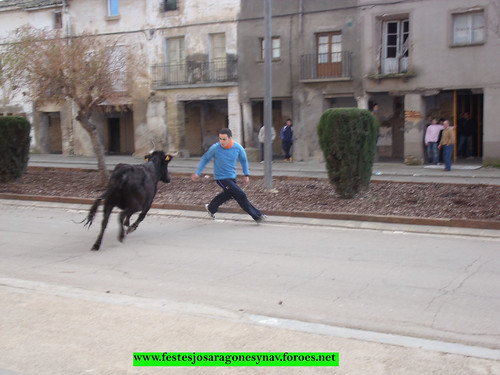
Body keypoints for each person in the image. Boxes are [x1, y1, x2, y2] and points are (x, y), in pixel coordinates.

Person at [191, 128, 267, 223]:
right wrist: (198, 172)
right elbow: (205, 158)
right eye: (220, 139)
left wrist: (246, 174)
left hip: (231, 177)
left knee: (229, 194)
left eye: (224, 139)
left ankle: (211, 208)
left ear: (230, 138)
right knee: (241, 194)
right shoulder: (215, 148)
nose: (221, 141)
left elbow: (243, 160)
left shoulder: (238, 148)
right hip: (221, 178)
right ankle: (257, 216)